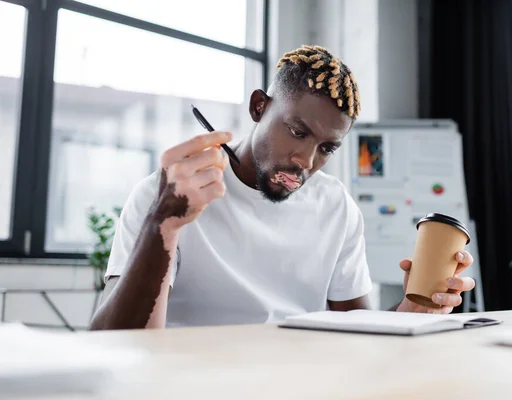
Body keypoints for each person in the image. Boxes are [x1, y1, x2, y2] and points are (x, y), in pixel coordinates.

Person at [90, 45, 475, 330]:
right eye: (297, 132)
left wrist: (411, 309)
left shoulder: (335, 206)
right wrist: (164, 222)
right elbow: (114, 342)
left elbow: (359, 334)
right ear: (259, 107)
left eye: (327, 148)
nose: (306, 161)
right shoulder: (169, 194)